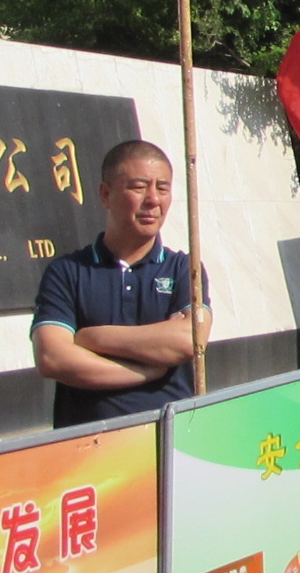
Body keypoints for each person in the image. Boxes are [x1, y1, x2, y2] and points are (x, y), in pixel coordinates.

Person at [31, 140, 209, 426]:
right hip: (88, 442)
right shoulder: (67, 272)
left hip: (170, 438)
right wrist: (148, 371)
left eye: (163, 188)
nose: (153, 200)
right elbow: (53, 357)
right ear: (106, 194)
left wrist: (92, 338)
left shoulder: (183, 269)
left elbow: (190, 339)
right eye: (139, 187)